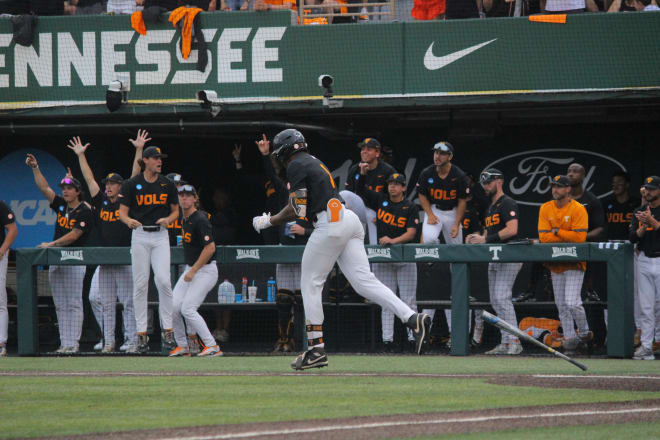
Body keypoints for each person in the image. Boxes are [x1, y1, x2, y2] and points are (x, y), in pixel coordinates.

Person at [252, 129, 431, 370]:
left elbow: (296, 209)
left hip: (330, 223)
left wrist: (269, 221)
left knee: (310, 284)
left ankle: (315, 349)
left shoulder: (297, 164)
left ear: (286, 149)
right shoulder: (311, 160)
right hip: (348, 220)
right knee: (364, 282)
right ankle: (412, 318)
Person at [67, 133, 148, 353]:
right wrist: (81, 155)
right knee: (102, 301)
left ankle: (131, 341)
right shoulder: (101, 201)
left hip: (124, 258)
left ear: (121, 186)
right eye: (108, 184)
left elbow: (135, 173)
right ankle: (109, 341)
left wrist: (139, 150)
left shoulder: (126, 199)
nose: (109, 187)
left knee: (129, 302)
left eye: (113, 184)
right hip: (105, 259)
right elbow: (90, 179)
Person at [26, 154, 94, 353]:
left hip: (74, 258)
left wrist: (52, 244)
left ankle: (74, 343)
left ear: (78, 191)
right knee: (60, 303)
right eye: (64, 188)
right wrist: (35, 167)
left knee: (73, 302)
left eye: (69, 188)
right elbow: (44, 188)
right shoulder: (62, 206)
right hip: (57, 259)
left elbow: (74, 235)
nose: (65, 191)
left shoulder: (84, 210)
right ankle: (65, 343)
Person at [118, 145, 179, 353]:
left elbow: (175, 211)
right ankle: (141, 334)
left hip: (161, 234)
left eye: (160, 158)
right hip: (141, 234)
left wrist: (169, 220)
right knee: (140, 284)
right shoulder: (131, 184)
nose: (159, 161)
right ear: (145, 160)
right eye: (155, 158)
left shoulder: (167, 184)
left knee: (163, 280)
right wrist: (128, 222)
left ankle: (168, 332)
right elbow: (122, 213)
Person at [256, 134, 310, 353]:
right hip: (285, 249)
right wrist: (266, 155)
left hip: (305, 250)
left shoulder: (311, 195)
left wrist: (305, 229)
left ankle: (302, 341)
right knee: (283, 299)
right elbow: (272, 174)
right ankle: (284, 340)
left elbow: (324, 224)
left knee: (301, 299)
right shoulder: (284, 194)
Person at [356, 171, 420, 353]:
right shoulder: (380, 200)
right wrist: (362, 174)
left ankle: (412, 339)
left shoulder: (410, 206)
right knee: (386, 300)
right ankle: (387, 341)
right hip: (384, 258)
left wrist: (393, 241)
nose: (392, 186)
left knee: (408, 300)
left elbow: (411, 233)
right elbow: (361, 191)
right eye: (390, 183)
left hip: (404, 256)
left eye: (396, 184)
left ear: (403, 187)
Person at [466, 169, 523, 355]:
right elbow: (488, 234)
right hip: (495, 257)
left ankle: (515, 341)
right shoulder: (490, 207)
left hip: (509, 256)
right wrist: (477, 236)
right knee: (496, 301)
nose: (486, 186)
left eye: (489, 182)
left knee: (502, 298)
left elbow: (512, 229)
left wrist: (485, 240)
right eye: (484, 183)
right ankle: (506, 342)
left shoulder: (507, 202)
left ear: (499, 181)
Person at [416, 141, 468, 336]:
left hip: (452, 212)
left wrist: (456, 223)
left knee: (457, 253)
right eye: (436, 152)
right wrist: (429, 213)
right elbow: (422, 195)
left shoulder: (459, 175)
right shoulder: (427, 172)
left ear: (450, 157)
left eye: (442, 153)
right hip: (436, 210)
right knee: (428, 240)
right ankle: (433, 258)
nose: (437, 156)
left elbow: (462, 201)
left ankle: (459, 282)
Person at [538, 175, 593, 353]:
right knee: (561, 305)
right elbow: (544, 238)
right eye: (553, 186)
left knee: (572, 302)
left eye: (560, 187)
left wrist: (557, 231)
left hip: (574, 262)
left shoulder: (578, 209)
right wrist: (563, 234)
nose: (555, 190)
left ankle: (584, 332)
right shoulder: (545, 208)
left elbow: (579, 238)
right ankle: (570, 340)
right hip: (556, 263)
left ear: (568, 189)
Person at [169, 184, 222, 357]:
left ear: (195, 199)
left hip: (205, 270)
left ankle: (212, 345)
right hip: (191, 268)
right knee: (173, 306)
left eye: (188, 195)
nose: (184, 198)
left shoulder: (200, 219)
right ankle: (183, 346)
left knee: (188, 309)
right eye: (181, 195)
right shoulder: (184, 219)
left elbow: (210, 248)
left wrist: (193, 271)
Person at [340, 138, 396, 245]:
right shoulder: (355, 169)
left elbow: (394, 197)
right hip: (361, 208)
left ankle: (374, 255)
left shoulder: (387, 170)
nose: (364, 152)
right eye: (362, 149)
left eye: (369, 149)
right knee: (344, 194)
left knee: (371, 215)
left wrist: (383, 215)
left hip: (380, 210)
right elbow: (350, 193)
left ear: (377, 153)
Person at [629, 176, 660, 360]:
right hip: (644, 260)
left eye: (652, 189)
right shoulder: (639, 211)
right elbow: (633, 237)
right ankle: (647, 346)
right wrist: (643, 225)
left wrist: (652, 221)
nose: (648, 192)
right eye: (647, 189)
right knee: (646, 307)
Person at [567, 163, 605, 303]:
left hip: (584, 247)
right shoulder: (560, 200)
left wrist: (580, 237)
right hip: (562, 246)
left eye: (575, 171)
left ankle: (589, 289)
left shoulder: (591, 200)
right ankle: (531, 291)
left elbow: (600, 228)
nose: (571, 174)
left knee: (574, 299)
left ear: (583, 176)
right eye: (569, 171)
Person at [0, 200, 17, 357]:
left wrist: (2, 250)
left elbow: (12, 230)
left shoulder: (1, 205)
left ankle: (1, 343)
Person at [605, 172, 639, 242]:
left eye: (619, 182)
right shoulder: (607, 204)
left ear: (627, 185)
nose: (615, 186)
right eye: (614, 183)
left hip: (631, 243)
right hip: (611, 242)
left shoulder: (637, 203)